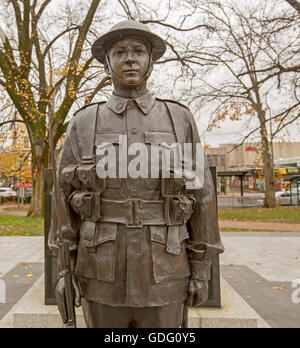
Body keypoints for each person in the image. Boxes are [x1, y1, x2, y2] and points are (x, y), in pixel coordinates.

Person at [49, 20, 224, 328]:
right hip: (100, 272)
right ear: (107, 64)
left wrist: (201, 270)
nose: (129, 58)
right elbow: (63, 201)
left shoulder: (178, 118)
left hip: (165, 270)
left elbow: (202, 195)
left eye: (138, 51)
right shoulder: (84, 122)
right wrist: (64, 271)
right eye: (119, 52)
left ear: (150, 63)